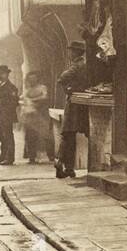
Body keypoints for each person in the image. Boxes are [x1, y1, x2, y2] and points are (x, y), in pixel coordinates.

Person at [55, 41, 89, 179]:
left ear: (75, 52)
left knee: (68, 134)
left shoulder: (76, 66)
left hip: (74, 104)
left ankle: (60, 161)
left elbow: (62, 78)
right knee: (75, 136)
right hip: (82, 104)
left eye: (71, 51)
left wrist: (69, 89)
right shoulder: (85, 65)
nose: (69, 53)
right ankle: (69, 168)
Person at [20, 70, 52, 164]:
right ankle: (32, 157)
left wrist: (32, 100)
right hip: (31, 116)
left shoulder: (42, 87)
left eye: (34, 78)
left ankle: (51, 155)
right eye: (30, 79)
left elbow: (45, 97)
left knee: (46, 135)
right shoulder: (27, 90)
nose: (32, 80)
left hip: (42, 114)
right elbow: (22, 99)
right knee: (30, 136)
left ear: (37, 78)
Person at [0, 64, 19, 165]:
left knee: (8, 135)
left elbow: (14, 102)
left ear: (7, 74)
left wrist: (4, 107)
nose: (1, 76)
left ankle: (10, 158)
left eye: (3, 73)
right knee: (1, 136)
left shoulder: (12, 87)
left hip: (7, 115)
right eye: (0, 74)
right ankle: (2, 156)